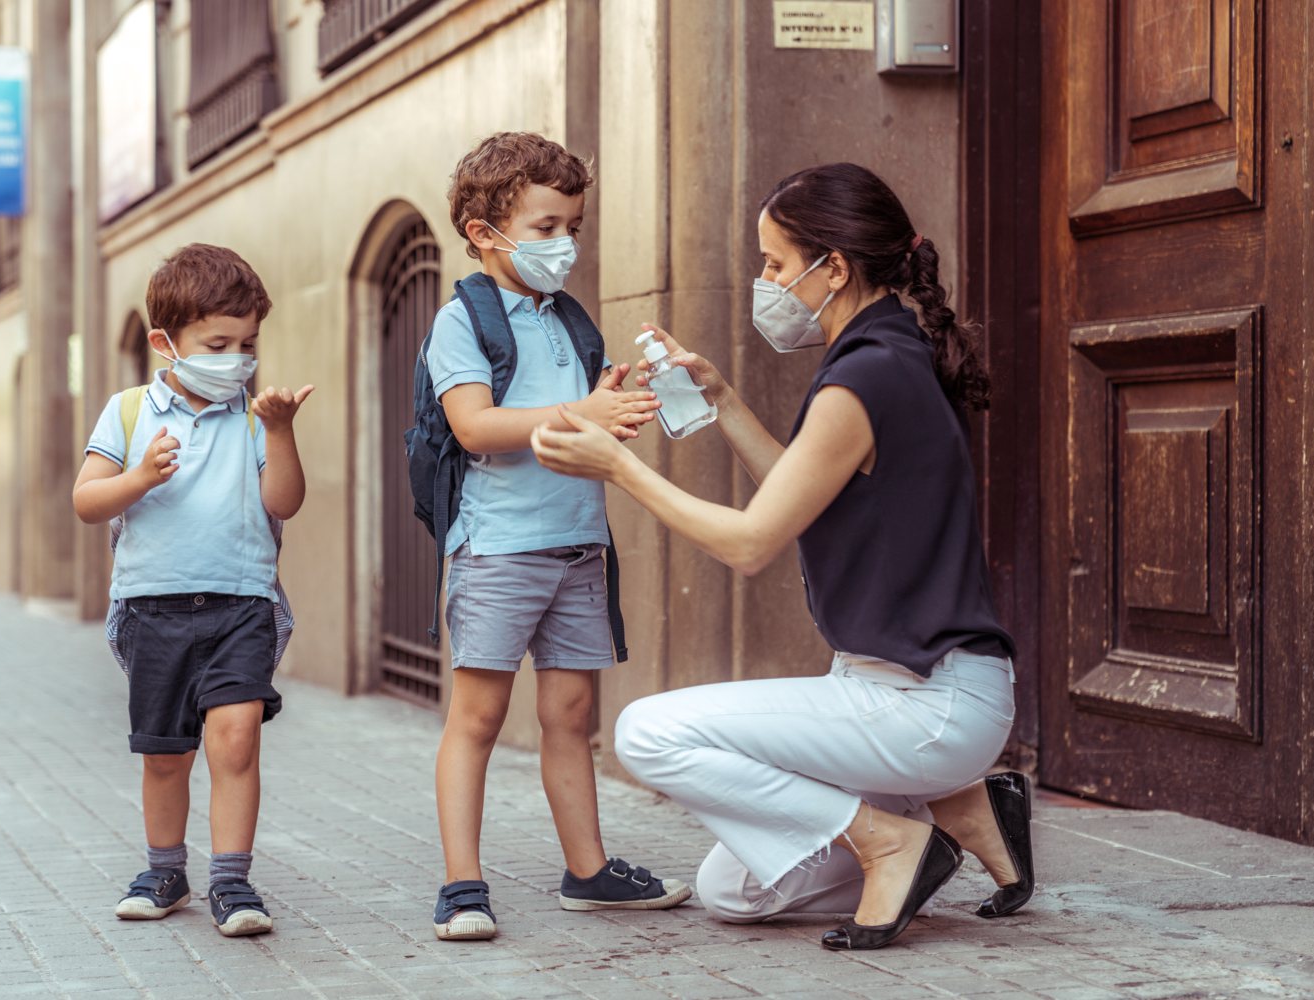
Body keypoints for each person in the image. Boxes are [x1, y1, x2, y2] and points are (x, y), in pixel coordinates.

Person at [530, 162, 1035, 951]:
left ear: (833, 266)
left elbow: (752, 541)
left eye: (773, 263)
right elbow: (802, 497)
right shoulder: (891, 352)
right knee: (734, 891)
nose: (765, 282)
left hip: (923, 702)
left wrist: (618, 468)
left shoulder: (862, 378)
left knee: (647, 734)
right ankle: (955, 805)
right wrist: (725, 400)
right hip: (913, 697)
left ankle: (892, 838)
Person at [423, 132, 691, 942]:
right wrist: (583, 412)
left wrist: (611, 401)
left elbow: (575, 429)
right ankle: (462, 886)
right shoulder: (460, 321)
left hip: (578, 544)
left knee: (571, 714)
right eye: (544, 227)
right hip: (500, 546)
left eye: (572, 224)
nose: (563, 243)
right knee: (476, 717)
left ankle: (589, 871)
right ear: (484, 232)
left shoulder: (570, 320)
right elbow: (475, 426)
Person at [73, 244, 312, 937]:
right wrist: (139, 477)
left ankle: (232, 881)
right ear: (165, 342)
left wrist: (282, 431)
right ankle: (164, 869)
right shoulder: (126, 412)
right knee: (165, 752)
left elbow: (286, 501)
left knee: (235, 740)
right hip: (154, 606)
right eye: (217, 343)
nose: (236, 358)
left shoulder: (252, 417)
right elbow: (88, 501)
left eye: (247, 343)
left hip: (242, 603)